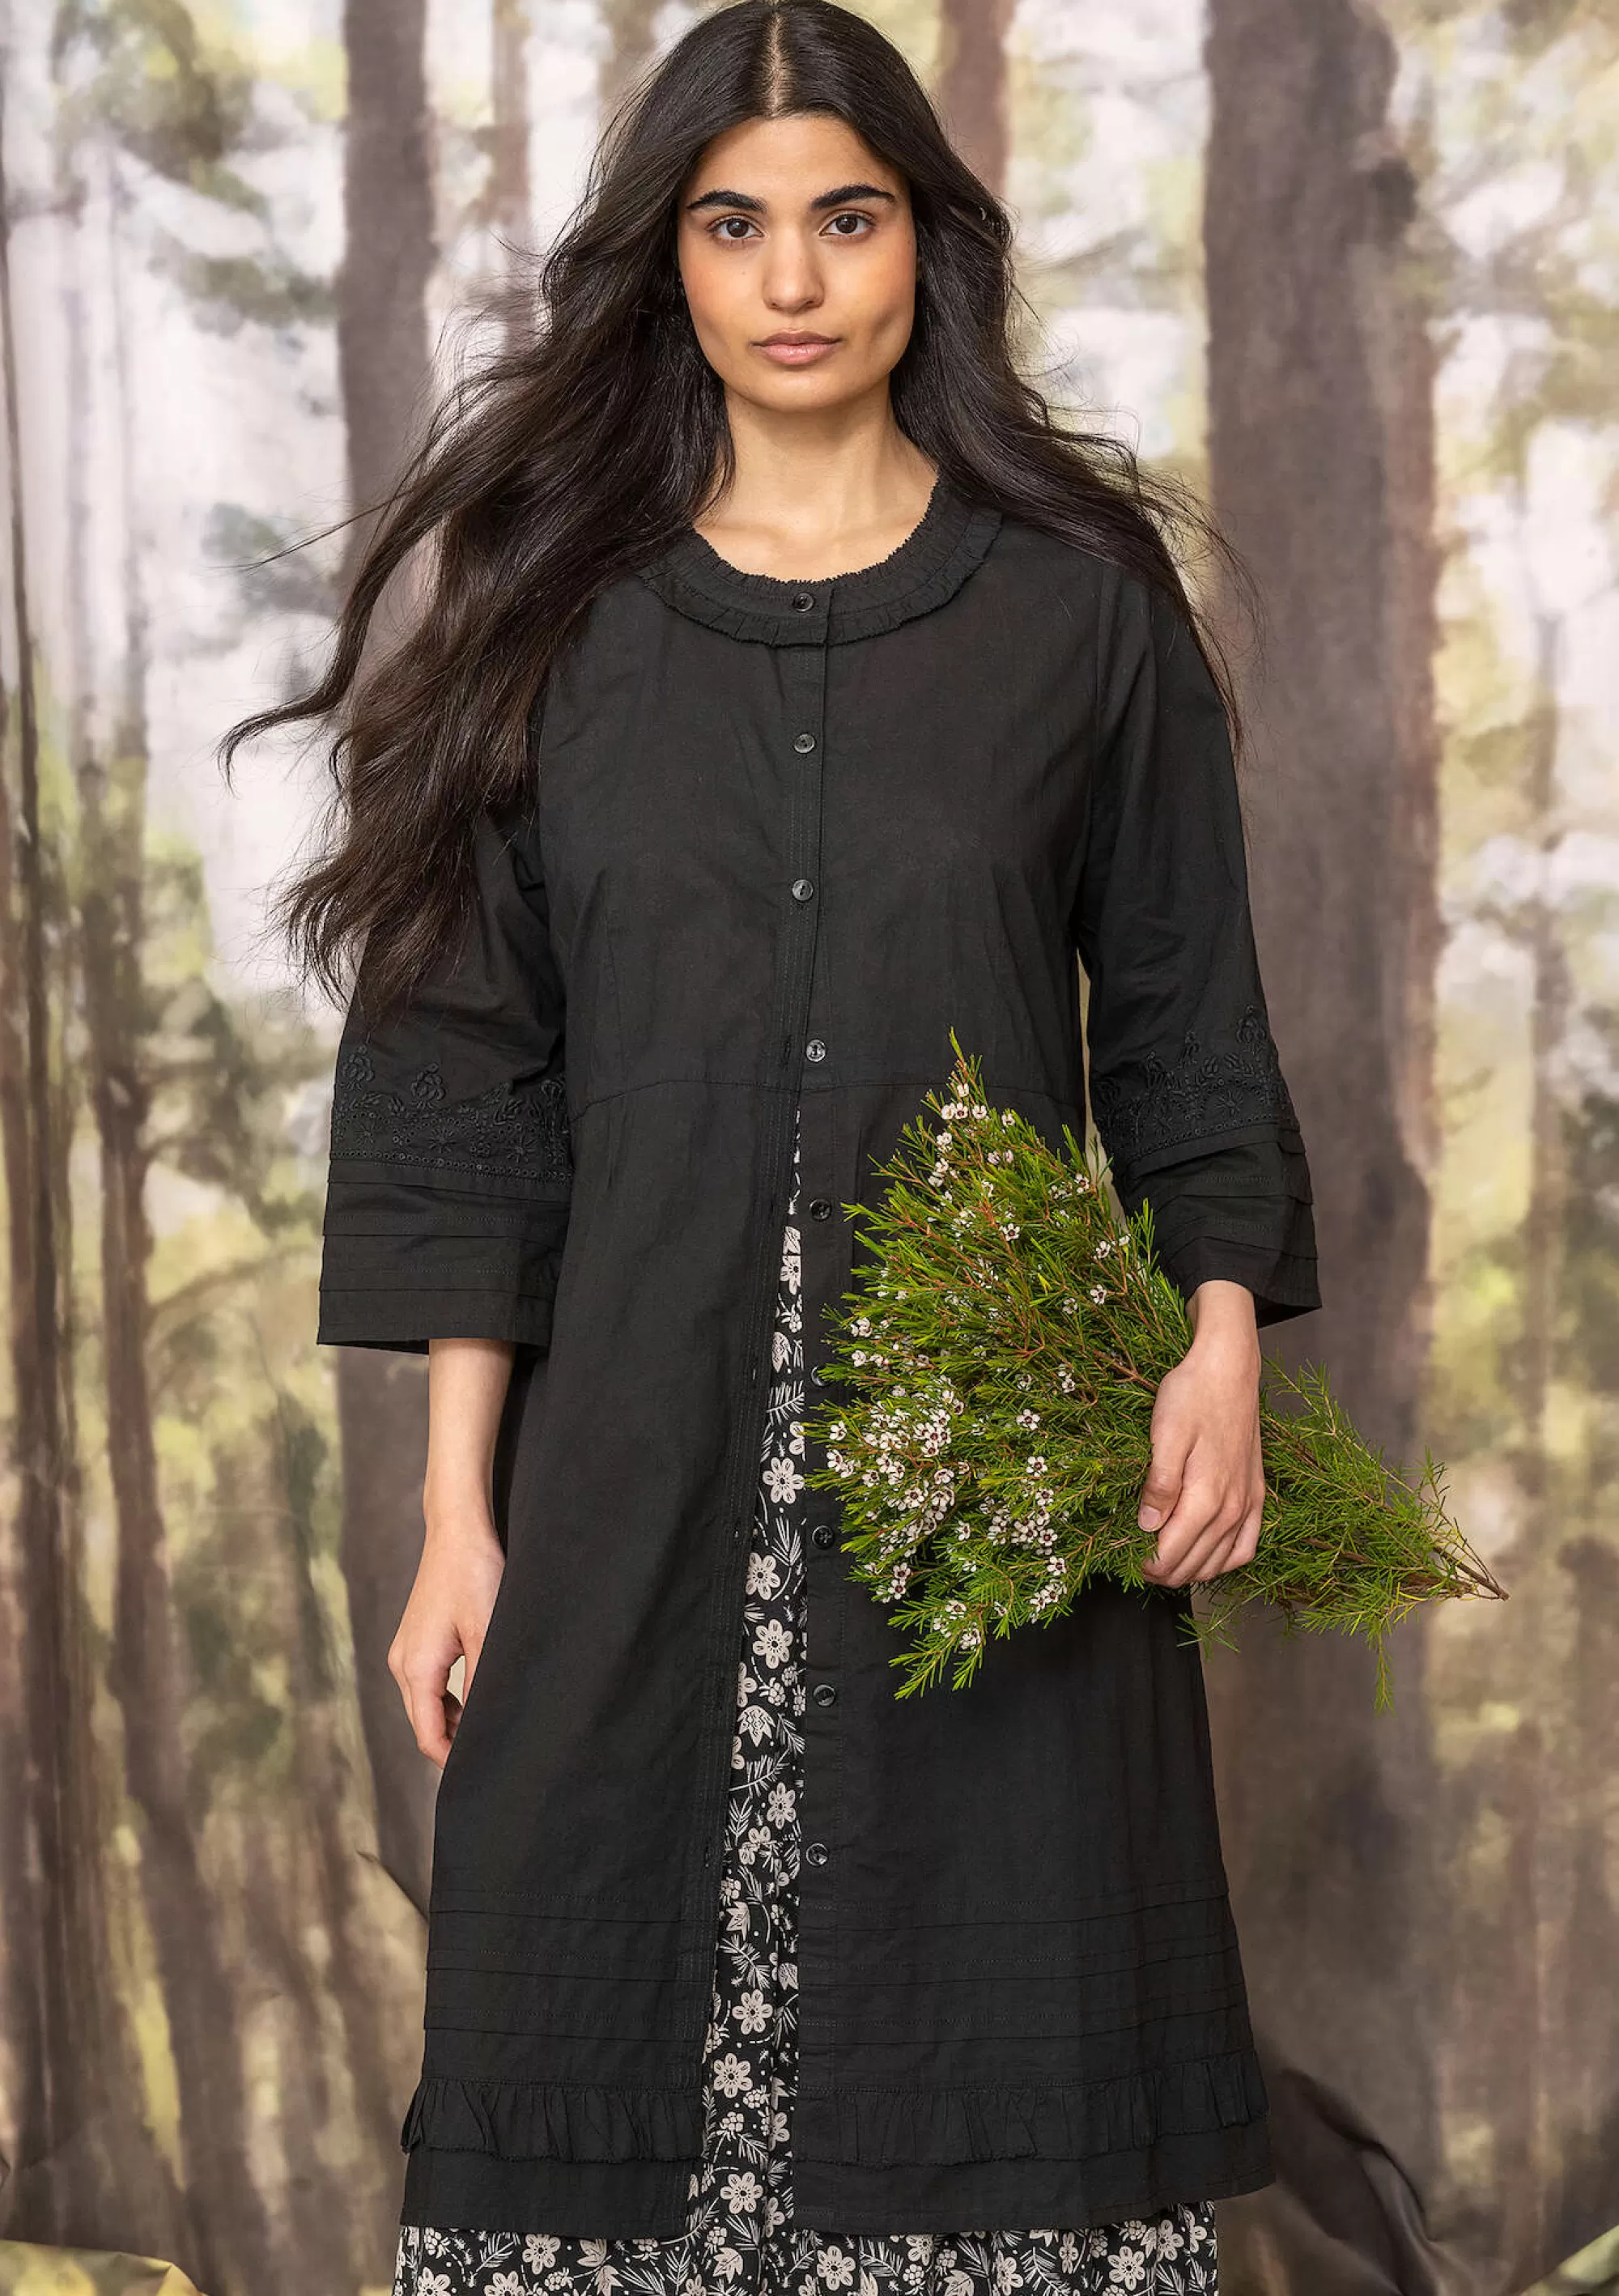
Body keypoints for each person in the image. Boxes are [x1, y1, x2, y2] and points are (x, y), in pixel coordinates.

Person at [227, 2, 1321, 2289]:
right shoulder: (551, 614)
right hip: (626, 1472)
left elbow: (1189, 1020)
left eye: (848, 217)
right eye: (734, 226)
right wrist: (456, 1517)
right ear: (670, 261)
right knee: (598, 2043)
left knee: (1005, 2074)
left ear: (930, 247)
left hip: (990, 1489)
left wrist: (1217, 1335)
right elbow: (470, 1074)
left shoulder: (1081, 609)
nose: (794, 279)